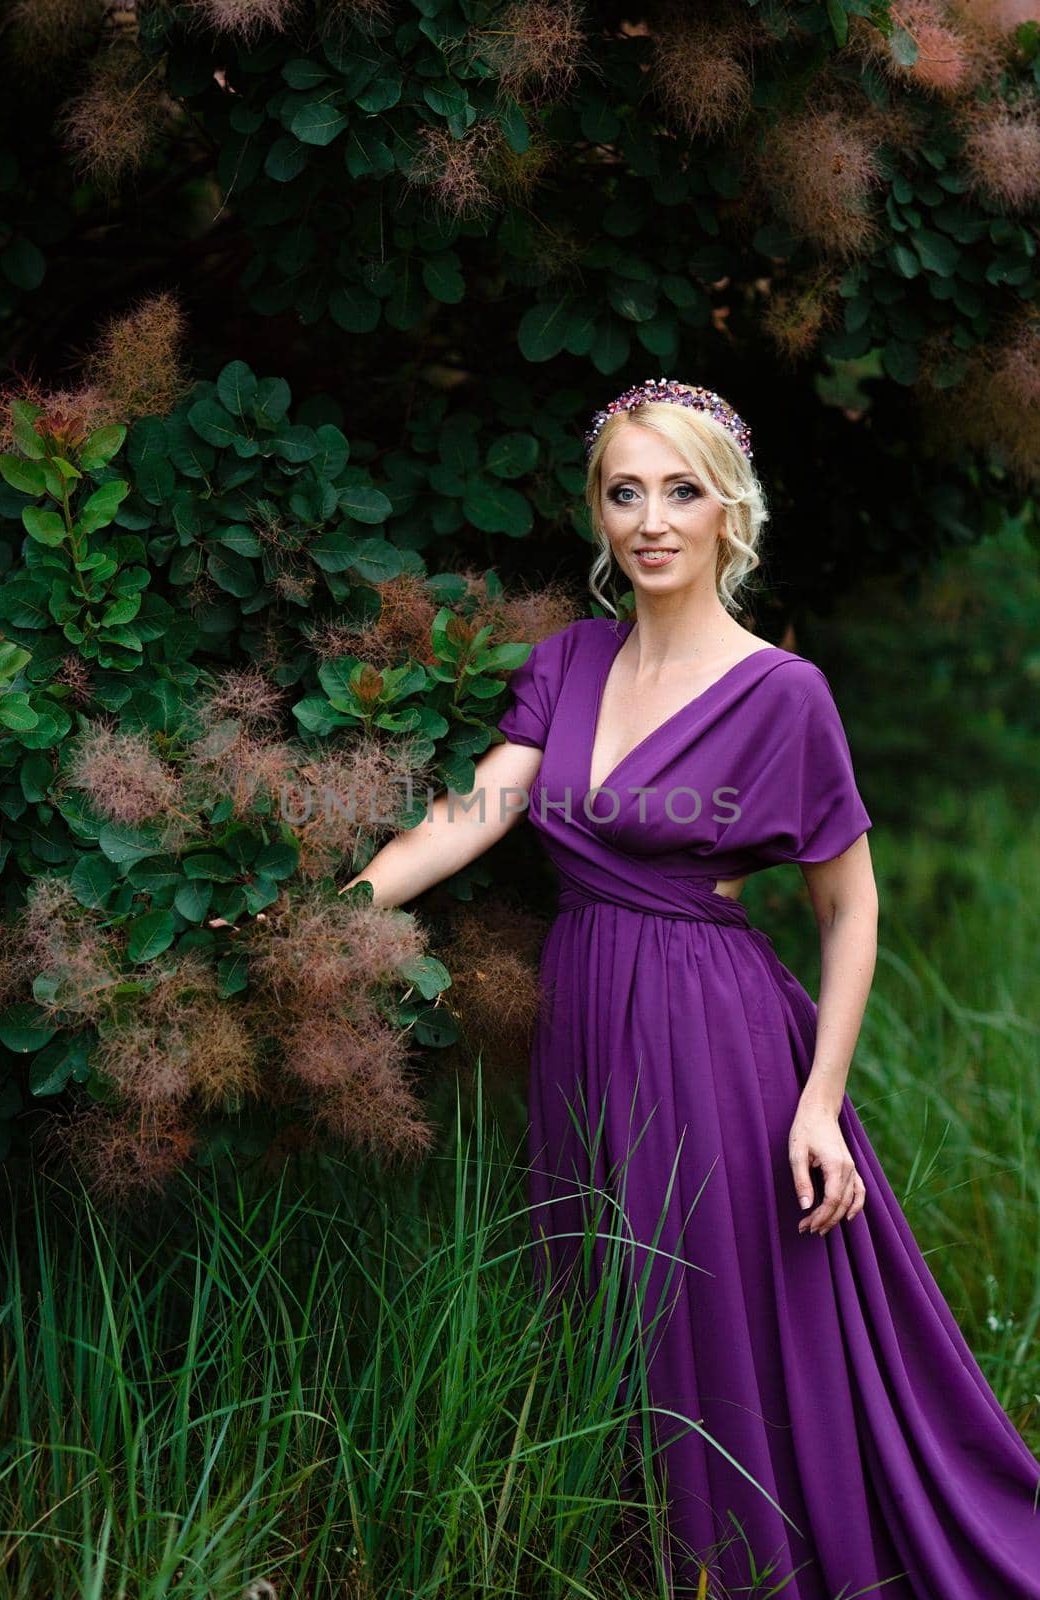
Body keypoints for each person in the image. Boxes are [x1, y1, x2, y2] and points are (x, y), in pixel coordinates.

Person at [341, 377, 1040, 1598]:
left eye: (680, 490)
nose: (651, 519)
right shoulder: (568, 660)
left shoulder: (784, 693)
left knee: (707, 1307)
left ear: (730, 510)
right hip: (581, 1018)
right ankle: (632, 1554)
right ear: (599, 516)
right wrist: (320, 920)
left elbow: (847, 902)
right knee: (596, 1296)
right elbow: (468, 818)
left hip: (714, 1034)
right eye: (625, 492)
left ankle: (755, 1561)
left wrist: (820, 1100)